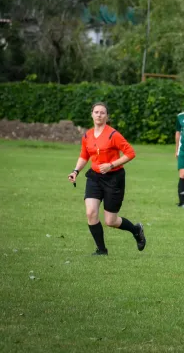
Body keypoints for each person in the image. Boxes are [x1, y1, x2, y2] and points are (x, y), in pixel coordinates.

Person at [67, 102, 146, 255]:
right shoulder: (87, 135)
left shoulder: (113, 134)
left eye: (102, 113)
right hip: (94, 178)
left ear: (107, 116)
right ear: (91, 114)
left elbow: (130, 153)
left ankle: (136, 230)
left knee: (110, 221)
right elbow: (84, 155)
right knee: (91, 213)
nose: (99, 115)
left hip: (113, 179)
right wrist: (75, 171)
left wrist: (111, 165)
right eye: (96, 112)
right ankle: (101, 250)